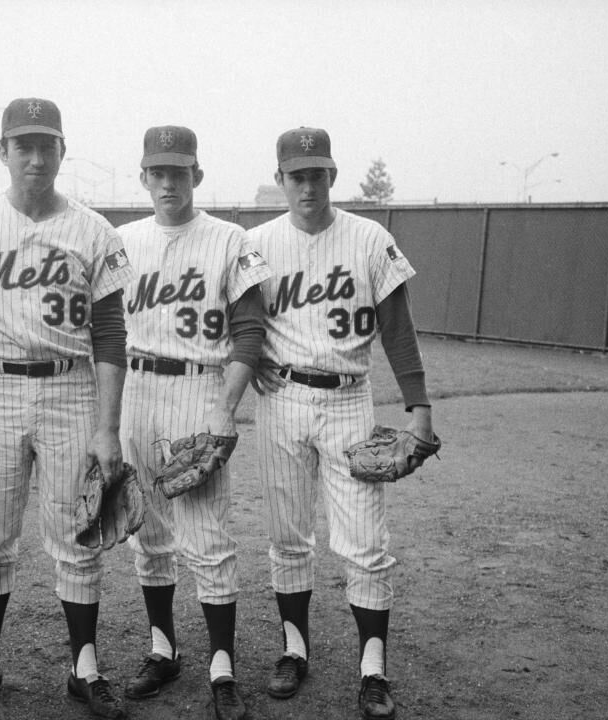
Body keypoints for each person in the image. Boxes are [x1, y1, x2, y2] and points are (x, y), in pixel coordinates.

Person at [0, 97, 136, 719]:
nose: (37, 156)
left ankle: (85, 667)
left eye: (48, 145)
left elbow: (111, 334)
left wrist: (107, 427)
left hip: (71, 388)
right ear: (3, 152)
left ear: (62, 153)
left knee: (76, 533)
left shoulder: (93, 229)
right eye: (24, 145)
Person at [247, 127, 437, 720]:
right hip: (280, 402)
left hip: (350, 400)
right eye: (296, 175)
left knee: (364, 542)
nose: (308, 185)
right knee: (287, 535)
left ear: (333, 175)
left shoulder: (368, 238)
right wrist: (249, 363)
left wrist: (420, 407)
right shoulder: (254, 243)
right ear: (280, 179)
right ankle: (294, 649)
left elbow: (398, 331)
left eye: (318, 173)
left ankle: (373, 668)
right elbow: (242, 321)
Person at [116, 126, 271, 720]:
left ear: (196, 176)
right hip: (136, 390)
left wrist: (223, 409)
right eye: (157, 172)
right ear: (144, 178)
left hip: (200, 387)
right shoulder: (122, 240)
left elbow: (250, 331)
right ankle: (163, 650)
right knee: (147, 533)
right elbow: (102, 328)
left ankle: (222, 665)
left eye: (178, 172)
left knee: (206, 536)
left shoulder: (231, 239)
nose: (167, 183)